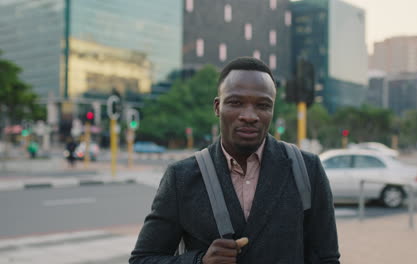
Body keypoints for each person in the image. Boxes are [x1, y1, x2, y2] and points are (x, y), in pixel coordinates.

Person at [130, 57, 340, 263]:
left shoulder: (307, 170)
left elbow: (326, 258)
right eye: (236, 103)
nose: (249, 115)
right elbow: (141, 259)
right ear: (217, 107)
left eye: (263, 105)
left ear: (272, 110)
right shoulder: (181, 178)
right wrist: (199, 261)